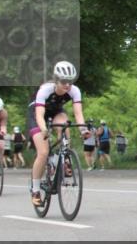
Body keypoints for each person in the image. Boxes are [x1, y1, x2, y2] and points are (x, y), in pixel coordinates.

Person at [28, 61, 90, 206]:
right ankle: (35, 189)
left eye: (70, 81)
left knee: (65, 124)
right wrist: (44, 129)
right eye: (63, 81)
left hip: (56, 111)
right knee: (43, 152)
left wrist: (83, 129)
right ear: (56, 79)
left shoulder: (74, 90)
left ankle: (64, 157)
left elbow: (78, 113)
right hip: (37, 114)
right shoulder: (45, 90)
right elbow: (39, 115)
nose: (67, 85)